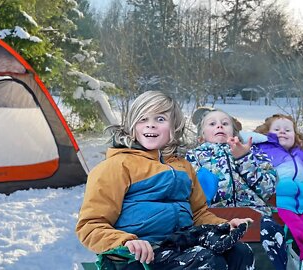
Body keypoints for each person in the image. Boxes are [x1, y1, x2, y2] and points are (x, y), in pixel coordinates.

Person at [76, 91, 254, 270]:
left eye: (160, 119)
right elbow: (90, 226)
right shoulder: (117, 166)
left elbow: (198, 213)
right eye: (142, 119)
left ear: (174, 126)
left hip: (181, 244)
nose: (151, 125)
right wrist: (126, 241)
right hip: (137, 255)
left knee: (239, 252)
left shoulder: (183, 166)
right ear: (131, 126)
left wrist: (222, 226)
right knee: (204, 260)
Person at [185, 107, 286, 270]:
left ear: (234, 132)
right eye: (212, 123)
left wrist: (243, 158)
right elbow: (189, 194)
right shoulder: (192, 158)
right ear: (201, 137)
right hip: (214, 218)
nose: (219, 126)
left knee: (268, 231)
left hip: (254, 215)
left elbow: (268, 190)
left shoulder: (254, 154)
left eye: (225, 123)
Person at [252, 114, 303, 261]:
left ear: (296, 136)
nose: (282, 132)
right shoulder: (263, 151)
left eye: (288, 130)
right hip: (280, 206)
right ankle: (299, 259)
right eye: (276, 129)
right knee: (298, 233)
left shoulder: (302, 156)